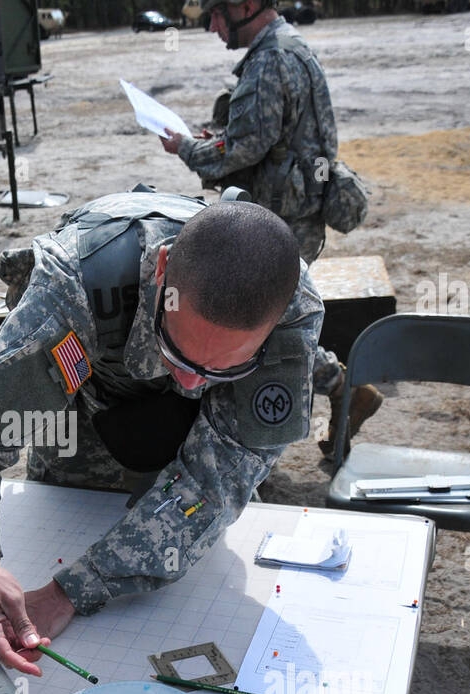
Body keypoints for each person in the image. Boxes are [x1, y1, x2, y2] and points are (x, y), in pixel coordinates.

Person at [0, 191, 319, 676]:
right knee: (60, 514)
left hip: (193, 434)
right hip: (84, 402)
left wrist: (69, 591)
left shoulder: (289, 305)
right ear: (162, 271)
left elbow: (214, 485)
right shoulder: (76, 285)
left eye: (223, 368)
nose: (193, 382)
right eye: (181, 353)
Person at [160, 0, 381, 458]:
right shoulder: (290, 48)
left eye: (216, 15)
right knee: (273, 320)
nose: (214, 27)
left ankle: (316, 401)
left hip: (279, 219)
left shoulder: (270, 59)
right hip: (292, 210)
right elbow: (269, 137)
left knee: (266, 326)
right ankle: (343, 388)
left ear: (245, 6)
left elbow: (244, 149)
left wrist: (185, 148)